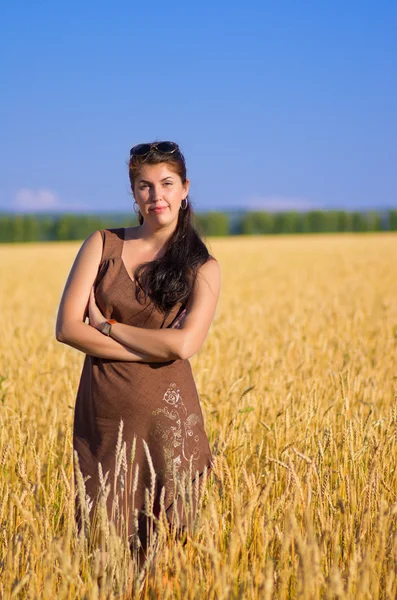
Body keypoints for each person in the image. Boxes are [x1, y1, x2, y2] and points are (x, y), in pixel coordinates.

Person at [55, 140, 221, 572]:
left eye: (167, 184)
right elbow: (68, 328)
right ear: (133, 194)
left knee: (173, 556)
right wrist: (151, 347)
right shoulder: (102, 244)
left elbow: (183, 346)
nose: (156, 196)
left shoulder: (202, 267)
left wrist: (108, 327)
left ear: (185, 189)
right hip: (105, 416)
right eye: (144, 186)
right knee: (105, 549)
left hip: (169, 420)